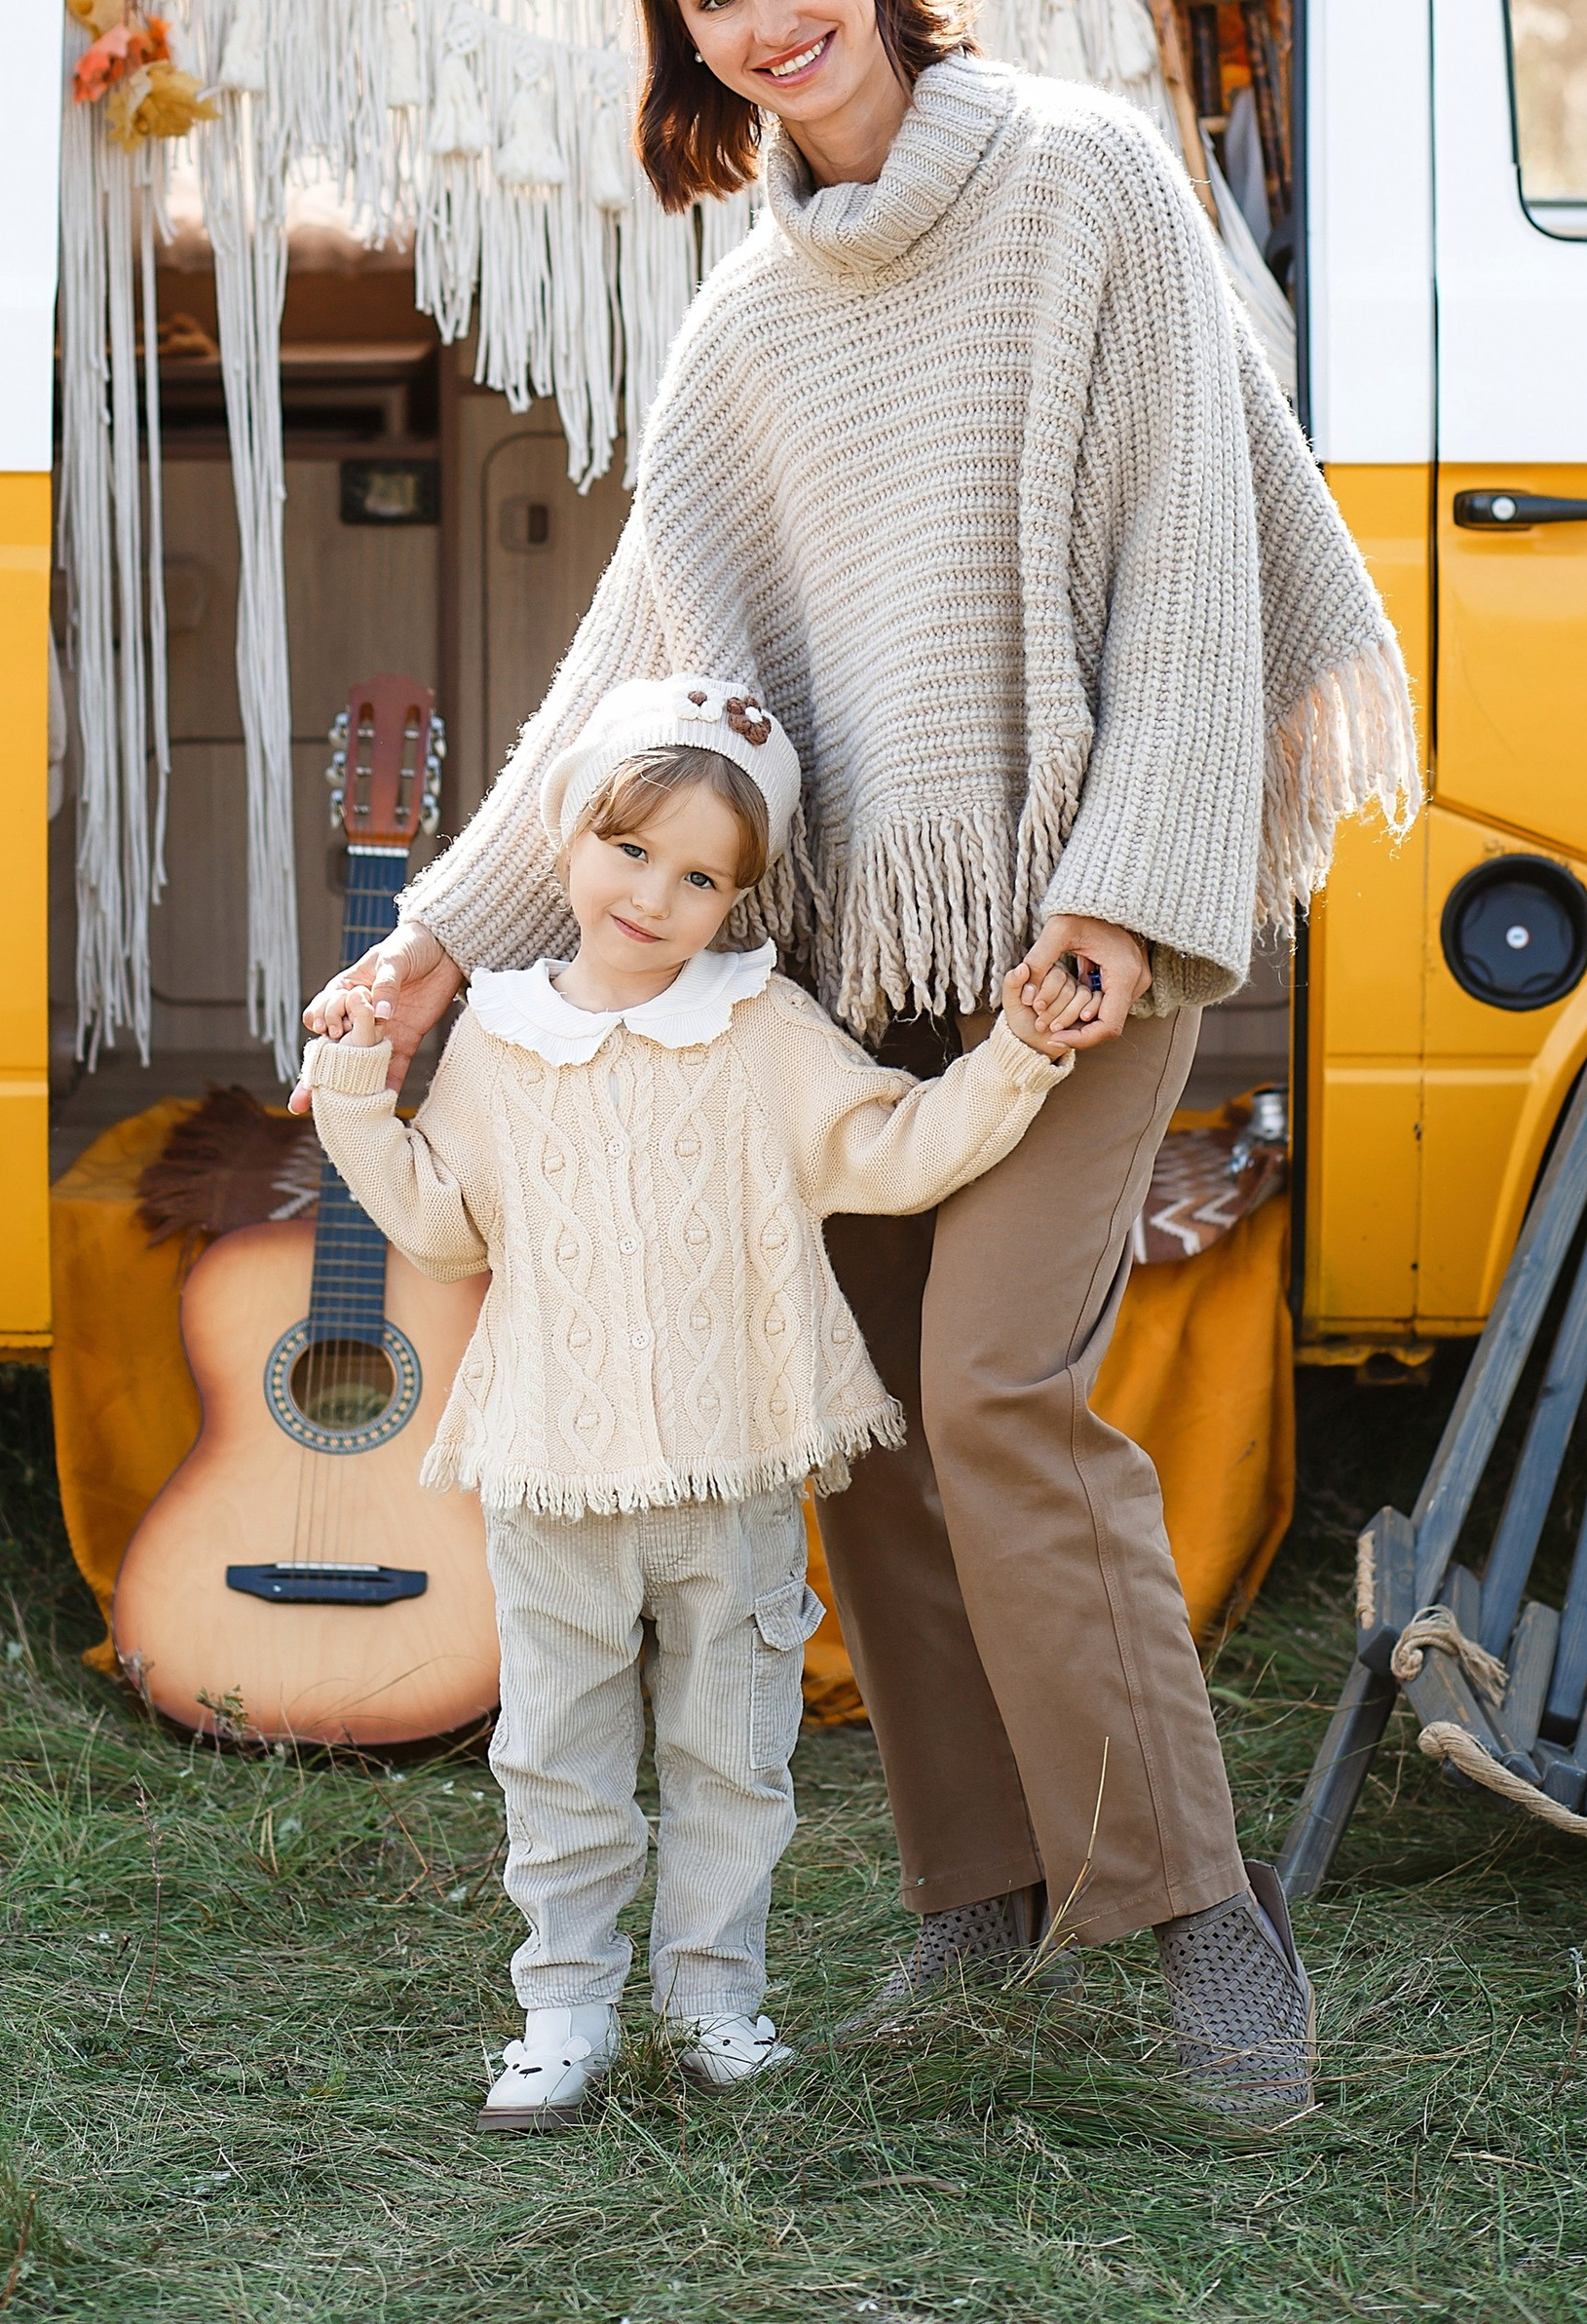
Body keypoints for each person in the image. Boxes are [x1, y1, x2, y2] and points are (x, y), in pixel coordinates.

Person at [308, 0, 1417, 2128]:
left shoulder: (1084, 179)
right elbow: (641, 658)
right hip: (860, 949)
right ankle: (978, 1891)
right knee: (869, 1427)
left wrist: (1110, 894)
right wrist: (428, 950)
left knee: (1001, 1390)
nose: (764, 22)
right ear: (683, 41)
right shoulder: (744, 315)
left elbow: (1190, 565)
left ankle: (1201, 1921)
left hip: (1085, 913)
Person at [297, 676, 1073, 2129]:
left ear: (739, 897)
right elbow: (446, 1229)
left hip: (733, 1475)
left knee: (737, 1751)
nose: (653, 894)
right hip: (552, 1474)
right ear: (568, 838)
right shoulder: (502, 1037)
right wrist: (356, 1091)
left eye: (702, 874)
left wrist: (1016, 1057)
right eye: (629, 848)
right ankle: (565, 2008)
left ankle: (715, 1997)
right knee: (559, 1753)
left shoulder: (760, 1027)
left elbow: (893, 1154)